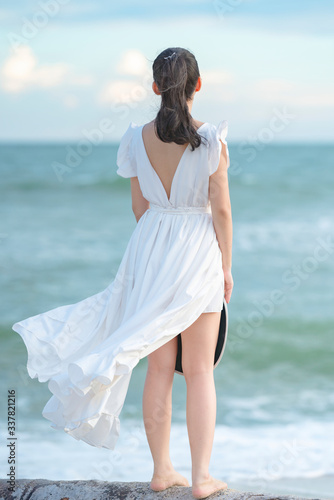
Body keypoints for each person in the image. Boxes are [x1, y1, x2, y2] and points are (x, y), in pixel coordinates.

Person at [12, 46, 233, 500]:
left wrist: (155, 254)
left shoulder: (135, 138)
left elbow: (139, 207)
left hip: (149, 247)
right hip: (196, 249)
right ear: (197, 85)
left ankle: (161, 471)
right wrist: (225, 267)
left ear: (155, 87)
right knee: (199, 372)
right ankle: (202, 478)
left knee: (157, 367)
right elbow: (223, 212)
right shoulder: (210, 139)